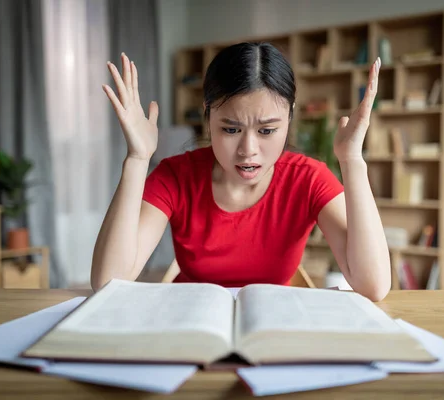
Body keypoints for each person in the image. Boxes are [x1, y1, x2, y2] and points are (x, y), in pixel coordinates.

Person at [91, 42, 391, 301]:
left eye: (267, 130)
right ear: (208, 113)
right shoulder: (176, 177)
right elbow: (109, 282)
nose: (248, 149)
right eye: (231, 129)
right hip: (189, 328)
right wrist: (137, 157)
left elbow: (373, 285)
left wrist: (352, 161)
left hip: (271, 331)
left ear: (290, 115)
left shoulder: (308, 179)